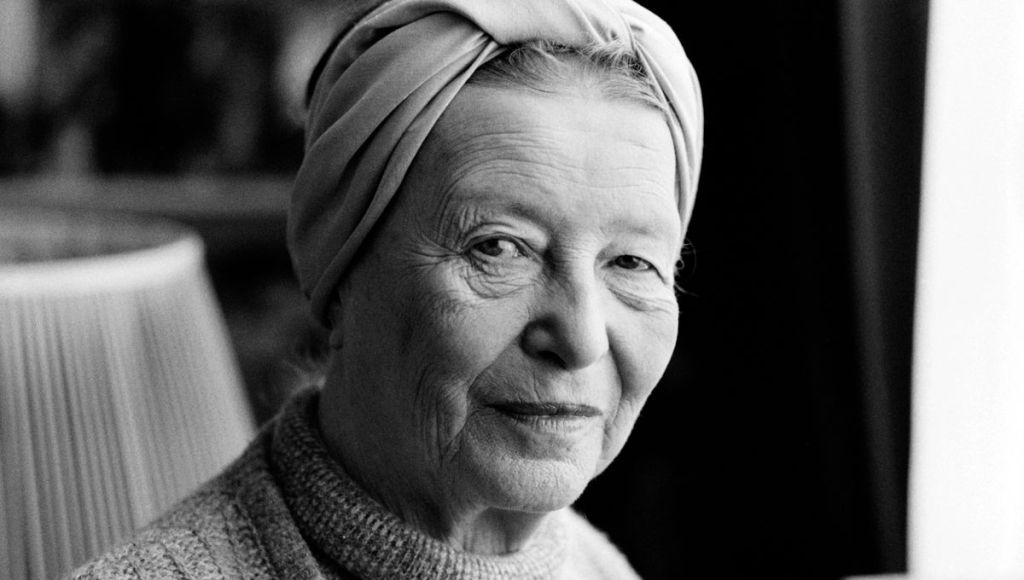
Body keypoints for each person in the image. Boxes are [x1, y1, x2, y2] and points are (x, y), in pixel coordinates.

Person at [70, 0, 702, 577]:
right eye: (498, 248)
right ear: (343, 270)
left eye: (632, 262)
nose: (583, 339)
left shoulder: (601, 568)